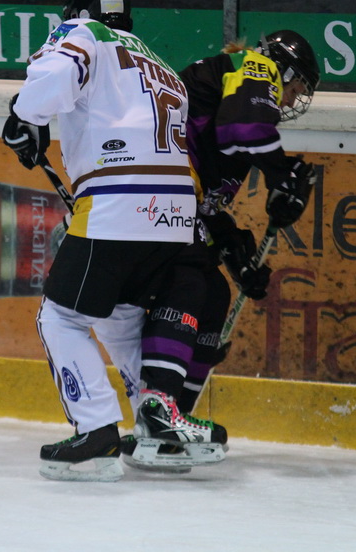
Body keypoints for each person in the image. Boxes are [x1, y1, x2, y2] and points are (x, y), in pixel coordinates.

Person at [1, 0, 201, 482]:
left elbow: (51, 81)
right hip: (176, 214)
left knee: (61, 319)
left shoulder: (84, 32)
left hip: (120, 202)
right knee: (122, 316)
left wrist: (24, 116)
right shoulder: (159, 62)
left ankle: (95, 432)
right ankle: (157, 426)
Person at [124, 30, 321, 471]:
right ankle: (157, 410)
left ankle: (172, 420)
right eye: (295, 88)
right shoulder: (256, 67)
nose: (291, 100)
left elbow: (208, 199)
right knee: (190, 280)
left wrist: (233, 248)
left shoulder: (232, 84)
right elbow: (241, 132)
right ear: (283, 69)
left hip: (161, 193)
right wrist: (284, 172)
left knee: (214, 294)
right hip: (150, 191)